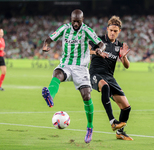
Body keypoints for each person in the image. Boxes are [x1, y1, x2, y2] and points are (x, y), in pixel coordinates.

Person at [41, 9, 106, 143]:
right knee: (57, 73)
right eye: (73, 21)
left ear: (82, 20)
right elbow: (50, 38)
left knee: (86, 95)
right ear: (71, 19)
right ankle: (50, 97)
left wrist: (100, 49)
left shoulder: (87, 30)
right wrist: (46, 45)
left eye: (78, 21)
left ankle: (90, 127)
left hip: (81, 68)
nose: (75, 24)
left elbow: (101, 43)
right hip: (66, 64)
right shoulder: (64, 29)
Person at [89, 16, 133, 140]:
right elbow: (86, 51)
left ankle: (120, 132)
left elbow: (127, 66)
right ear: (107, 29)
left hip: (109, 77)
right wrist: (96, 52)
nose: (112, 33)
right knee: (105, 87)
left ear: (119, 31)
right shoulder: (98, 40)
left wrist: (123, 57)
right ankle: (112, 121)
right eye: (111, 30)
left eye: (115, 31)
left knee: (126, 107)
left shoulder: (119, 46)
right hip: (95, 74)